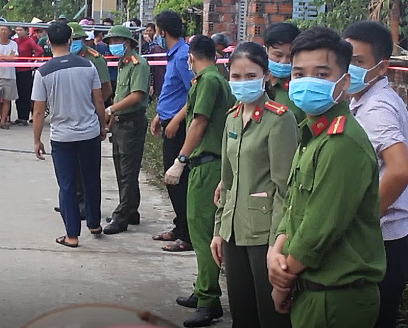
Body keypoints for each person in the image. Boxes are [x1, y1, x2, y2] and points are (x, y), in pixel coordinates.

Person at [268, 26, 386, 328]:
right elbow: (295, 207)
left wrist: (282, 279)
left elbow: (319, 230)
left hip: (336, 298)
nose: (307, 83)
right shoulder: (313, 134)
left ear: (344, 81)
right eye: (299, 74)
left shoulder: (342, 142)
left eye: (321, 75)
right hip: (311, 291)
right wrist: (276, 251)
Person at [210, 42, 298, 328]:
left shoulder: (279, 120)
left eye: (251, 76)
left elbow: (286, 190)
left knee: (270, 316)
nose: (242, 82)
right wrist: (218, 231)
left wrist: (277, 244)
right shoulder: (232, 119)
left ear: (266, 75)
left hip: (264, 235)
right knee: (241, 314)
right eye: (236, 76)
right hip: (234, 231)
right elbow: (227, 181)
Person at [343, 21, 408, 328]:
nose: (349, 68)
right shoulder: (362, 98)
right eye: (345, 58)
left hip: (382, 241)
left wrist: (363, 220)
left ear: (382, 67)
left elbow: (400, 170)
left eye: (358, 62)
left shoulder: (377, 108)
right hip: (387, 237)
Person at [162, 35, 235, 326]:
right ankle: (202, 289)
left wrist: (180, 160)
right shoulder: (213, 79)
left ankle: (209, 300)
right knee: (200, 229)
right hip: (208, 163)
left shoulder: (208, 81)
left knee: (203, 234)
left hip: (207, 164)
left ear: (191, 57)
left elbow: (200, 121)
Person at [32, 22, 106, 248]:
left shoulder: (43, 72)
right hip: (89, 132)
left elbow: (38, 111)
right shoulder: (88, 66)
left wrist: (36, 140)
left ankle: (72, 235)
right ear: (70, 40)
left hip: (62, 137)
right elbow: (99, 100)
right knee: (92, 178)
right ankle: (94, 223)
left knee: (67, 185)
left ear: (48, 41)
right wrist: (102, 126)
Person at [149, 11, 193, 252]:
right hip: (168, 120)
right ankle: (179, 226)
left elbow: (194, 93)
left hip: (180, 126)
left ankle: (187, 234)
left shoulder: (183, 57)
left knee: (177, 180)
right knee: (171, 181)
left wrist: (175, 120)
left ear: (162, 31)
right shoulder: (174, 54)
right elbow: (173, 91)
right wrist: (159, 115)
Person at [102, 25, 150, 235]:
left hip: (132, 121)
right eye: (111, 42)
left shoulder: (138, 64)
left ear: (128, 42)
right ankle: (130, 209)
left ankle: (122, 216)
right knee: (121, 169)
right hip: (121, 121)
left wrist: (110, 109)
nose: (113, 45)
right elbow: (120, 94)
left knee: (128, 170)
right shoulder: (123, 63)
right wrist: (113, 116)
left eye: (117, 41)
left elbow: (136, 95)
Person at [265, 23, 305, 123]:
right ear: (266, 51)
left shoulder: (300, 90)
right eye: (278, 55)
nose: (283, 61)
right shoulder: (254, 83)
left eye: (290, 57)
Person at [69, 22, 112, 102]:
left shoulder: (94, 59)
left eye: (75, 39)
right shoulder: (64, 57)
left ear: (83, 39)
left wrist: (94, 108)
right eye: (70, 39)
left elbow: (106, 89)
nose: (72, 42)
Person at [14, 26, 44, 125]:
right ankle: (19, 116)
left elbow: (39, 50)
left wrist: (31, 61)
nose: (18, 32)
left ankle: (24, 117)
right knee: (17, 95)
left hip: (25, 70)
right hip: (14, 69)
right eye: (17, 30)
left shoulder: (29, 41)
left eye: (20, 30)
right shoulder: (15, 41)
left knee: (25, 95)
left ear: (26, 31)